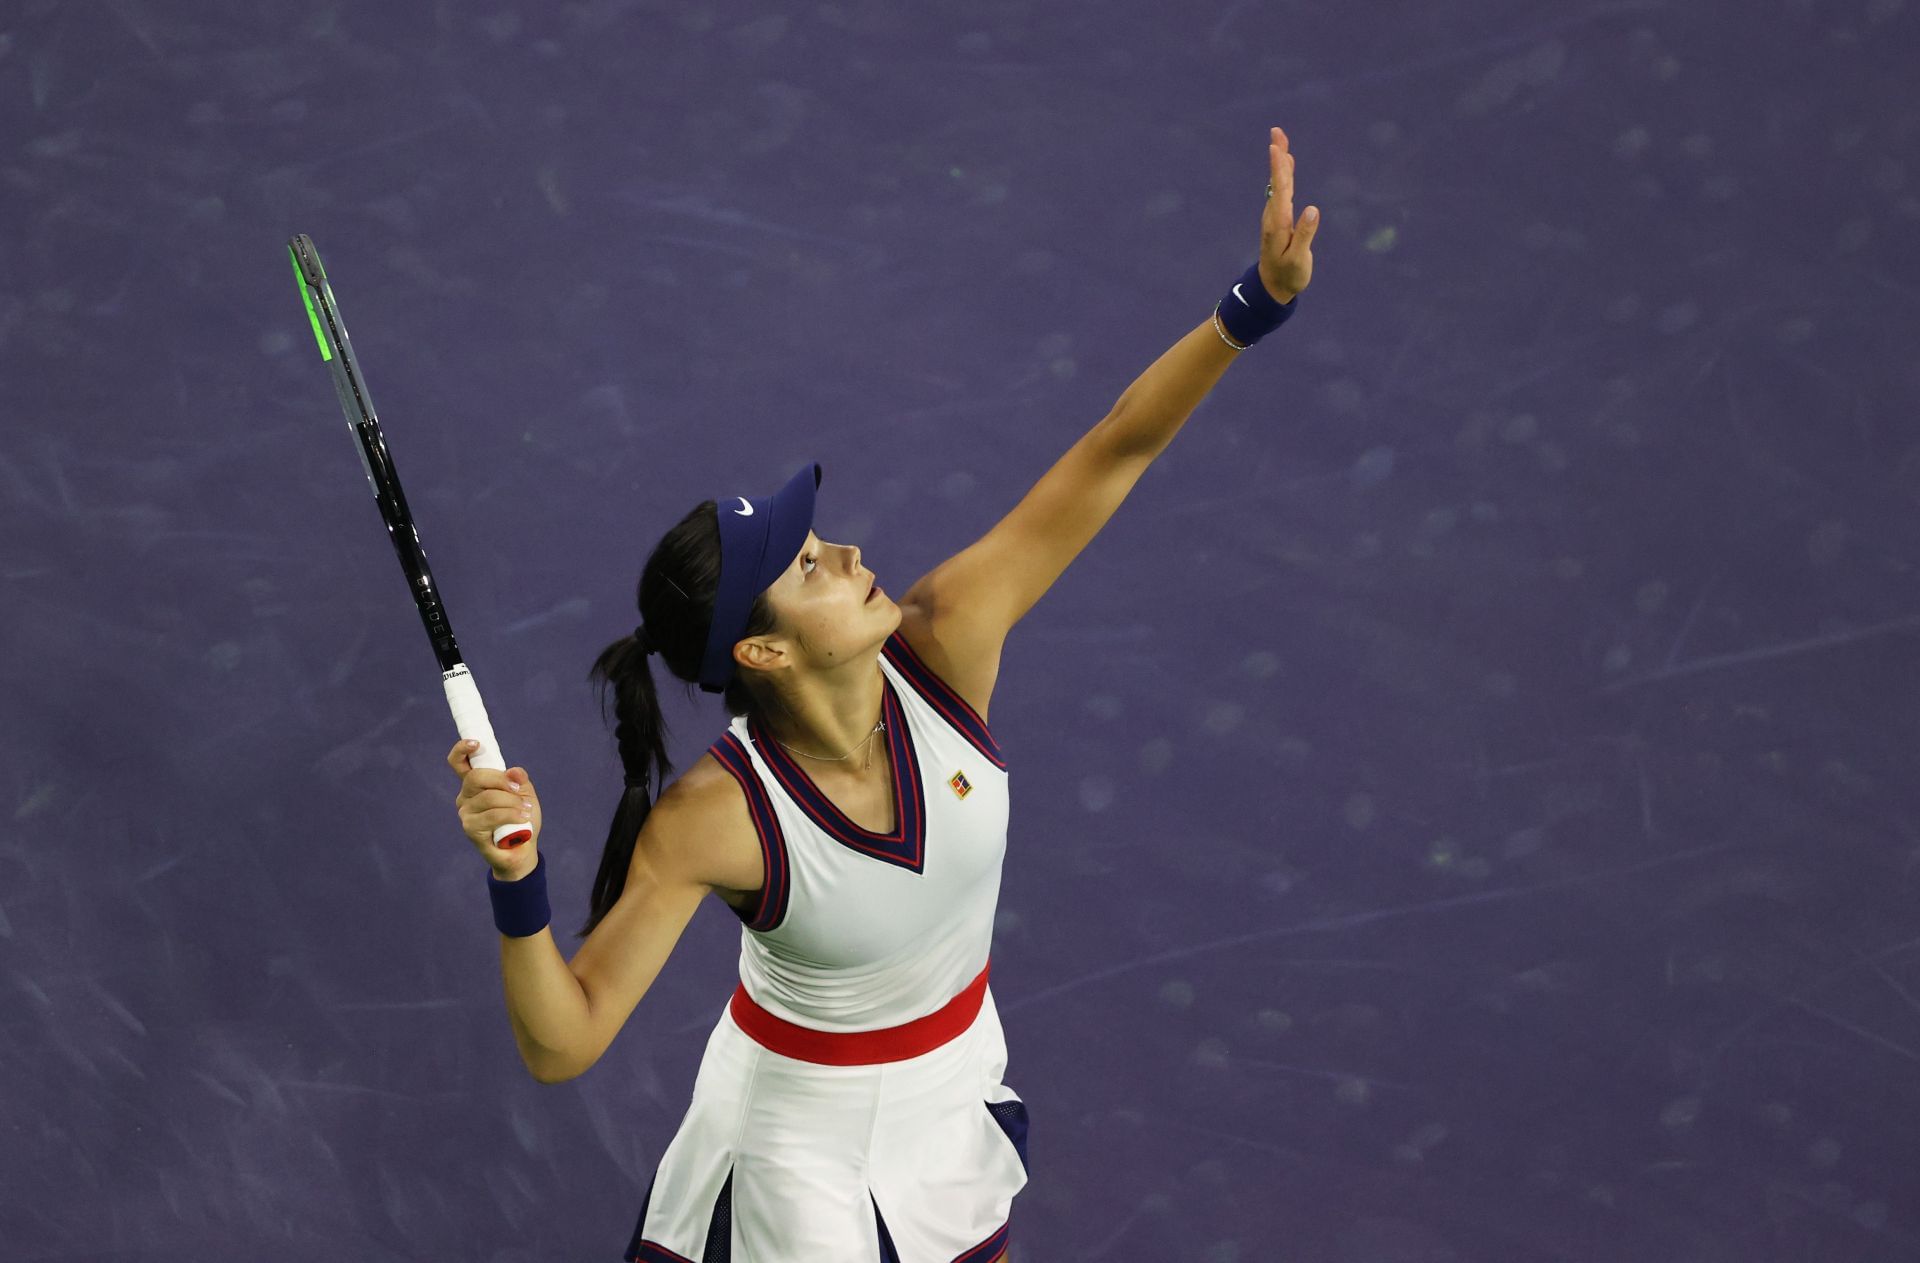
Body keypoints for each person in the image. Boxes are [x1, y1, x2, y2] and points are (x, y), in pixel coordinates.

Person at [448, 126, 1319, 1261]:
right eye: (810, 568)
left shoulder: (947, 637)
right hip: (796, 1169)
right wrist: (516, 883)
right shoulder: (717, 818)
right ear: (763, 652)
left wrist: (1252, 306)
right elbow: (563, 1043)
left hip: (948, 1106)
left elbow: (1113, 449)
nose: (852, 554)